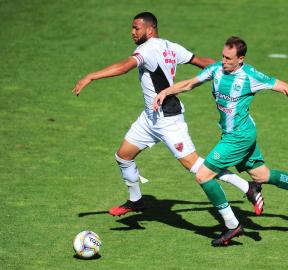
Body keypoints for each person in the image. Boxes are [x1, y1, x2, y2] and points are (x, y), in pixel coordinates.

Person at [72, 13, 264, 218]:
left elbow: (125, 67)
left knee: (196, 166)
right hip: (149, 117)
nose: (133, 32)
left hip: (169, 119)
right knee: (123, 156)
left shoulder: (146, 49)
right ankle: (136, 201)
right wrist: (222, 68)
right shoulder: (171, 47)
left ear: (150, 29)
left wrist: (91, 76)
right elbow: (201, 62)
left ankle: (248, 187)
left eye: (137, 28)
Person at [153, 36, 288, 246]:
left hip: (239, 137)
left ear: (241, 59)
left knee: (203, 176)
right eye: (222, 56)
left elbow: (286, 87)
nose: (224, 61)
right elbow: (190, 83)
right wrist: (165, 91)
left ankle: (231, 225)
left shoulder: (250, 76)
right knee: (261, 175)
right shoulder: (216, 69)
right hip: (234, 134)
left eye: (229, 58)